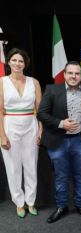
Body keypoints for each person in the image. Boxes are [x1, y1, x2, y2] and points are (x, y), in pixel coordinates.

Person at [37, 61, 81, 223]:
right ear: (64, 74)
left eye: (77, 73)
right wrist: (61, 123)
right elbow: (41, 114)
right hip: (58, 141)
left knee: (80, 175)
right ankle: (61, 206)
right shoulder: (51, 90)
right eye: (70, 73)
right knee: (61, 176)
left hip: (80, 141)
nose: (73, 76)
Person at [0, 48, 42, 218]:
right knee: (13, 167)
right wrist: (2, 135)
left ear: (25, 64)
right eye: (14, 60)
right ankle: (19, 202)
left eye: (21, 61)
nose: (18, 63)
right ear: (8, 62)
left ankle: (31, 201)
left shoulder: (35, 82)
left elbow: (41, 110)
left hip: (30, 125)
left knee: (31, 165)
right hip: (9, 125)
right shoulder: (1, 82)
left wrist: (40, 130)